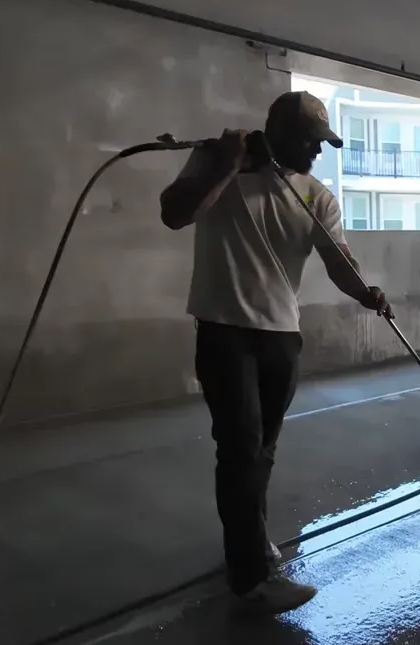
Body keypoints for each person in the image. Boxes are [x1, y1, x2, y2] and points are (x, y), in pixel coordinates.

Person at [159, 91, 391, 614]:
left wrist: (366, 292)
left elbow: (338, 260)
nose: (317, 152)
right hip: (225, 331)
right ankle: (251, 578)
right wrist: (228, 163)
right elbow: (175, 214)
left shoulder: (316, 195)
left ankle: (250, 538)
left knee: (260, 451)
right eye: (310, 141)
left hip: (282, 337)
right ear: (278, 132)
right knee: (240, 449)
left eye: (322, 143)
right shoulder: (219, 162)